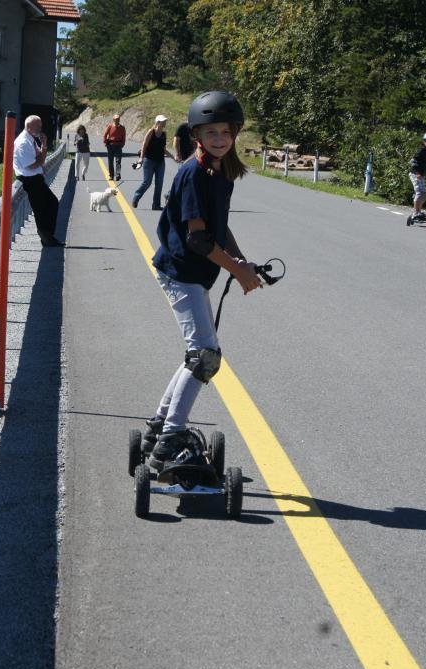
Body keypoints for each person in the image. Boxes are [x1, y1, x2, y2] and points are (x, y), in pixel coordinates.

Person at [142, 91, 263, 470]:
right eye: (212, 132)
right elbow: (197, 239)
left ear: (235, 134)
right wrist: (236, 270)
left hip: (193, 273)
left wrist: (240, 261)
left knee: (199, 354)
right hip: (181, 271)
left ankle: (158, 427)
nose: (220, 139)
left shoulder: (220, 172)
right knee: (205, 357)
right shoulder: (194, 173)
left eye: (226, 132)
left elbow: (218, 228)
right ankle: (170, 438)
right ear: (197, 134)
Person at [13, 115, 64, 247]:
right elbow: (34, 164)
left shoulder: (31, 139)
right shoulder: (23, 143)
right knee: (42, 209)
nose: (40, 129)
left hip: (35, 179)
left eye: (40, 126)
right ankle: (46, 238)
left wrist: (44, 145)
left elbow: (41, 158)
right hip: (30, 180)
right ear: (29, 127)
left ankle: (47, 236)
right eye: (38, 126)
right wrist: (41, 158)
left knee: (50, 204)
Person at [131, 114, 175, 210]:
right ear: (157, 122)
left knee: (159, 184)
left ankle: (156, 205)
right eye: (163, 121)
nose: (165, 123)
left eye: (165, 121)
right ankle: (136, 197)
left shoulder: (164, 134)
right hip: (149, 160)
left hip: (160, 162)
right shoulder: (151, 132)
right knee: (147, 182)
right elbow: (144, 145)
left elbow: (164, 149)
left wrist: (173, 157)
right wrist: (141, 158)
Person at [164, 120, 195, 204]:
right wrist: (177, 154)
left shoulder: (197, 128)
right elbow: (176, 140)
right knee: (181, 179)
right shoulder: (183, 127)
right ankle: (169, 194)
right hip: (183, 159)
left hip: (193, 158)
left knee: (190, 180)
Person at [103, 113, 126, 182]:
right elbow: (105, 134)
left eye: (118, 119)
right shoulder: (110, 126)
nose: (117, 120)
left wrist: (123, 144)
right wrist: (105, 142)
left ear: (119, 120)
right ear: (113, 120)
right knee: (110, 161)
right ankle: (111, 175)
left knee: (118, 161)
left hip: (118, 146)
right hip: (110, 145)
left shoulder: (122, 128)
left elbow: (124, 136)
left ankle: (118, 175)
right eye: (116, 119)